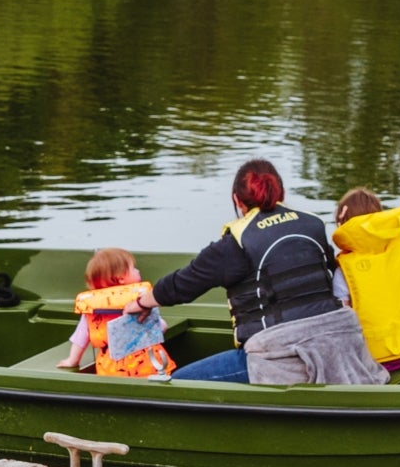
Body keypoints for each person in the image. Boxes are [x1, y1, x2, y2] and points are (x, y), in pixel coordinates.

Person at [127, 159, 386, 386]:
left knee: (178, 384)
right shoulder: (312, 225)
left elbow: (184, 283)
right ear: (281, 193)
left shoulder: (236, 242)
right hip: (341, 347)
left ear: (237, 201)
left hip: (283, 358)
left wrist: (142, 302)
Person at [329, 188, 400, 370]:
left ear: (342, 223)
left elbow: (343, 317)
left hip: (375, 357)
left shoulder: (344, 268)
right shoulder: (397, 251)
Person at [64, 248, 175, 378]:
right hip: (147, 365)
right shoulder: (139, 303)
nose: (138, 271)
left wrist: (73, 361)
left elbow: (80, 338)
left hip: (111, 369)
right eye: (134, 268)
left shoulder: (91, 308)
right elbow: (161, 327)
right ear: (121, 278)